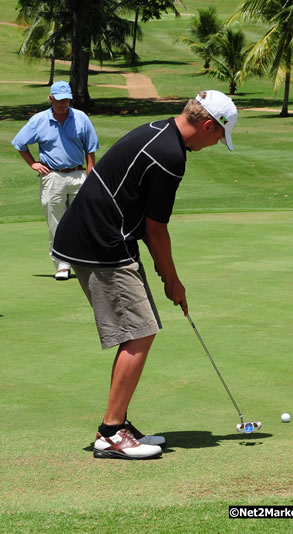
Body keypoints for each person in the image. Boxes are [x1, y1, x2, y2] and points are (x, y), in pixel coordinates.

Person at [52, 90, 238, 460]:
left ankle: (118, 424)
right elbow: (156, 229)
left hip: (98, 236)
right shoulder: (170, 157)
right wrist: (172, 279)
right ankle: (110, 432)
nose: (218, 142)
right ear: (206, 125)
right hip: (100, 243)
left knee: (140, 330)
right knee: (139, 332)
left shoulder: (159, 130)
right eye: (219, 134)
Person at [11, 80, 99, 280]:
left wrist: (91, 174)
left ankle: (84, 261)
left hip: (78, 174)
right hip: (53, 177)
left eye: (67, 99)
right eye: (59, 100)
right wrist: (33, 163)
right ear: (51, 98)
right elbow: (19, 143)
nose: (63, 103)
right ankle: (62, 265)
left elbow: (91, 148)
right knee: (56, 223)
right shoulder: (39, 120)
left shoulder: (81, 118)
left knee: (83, 221)